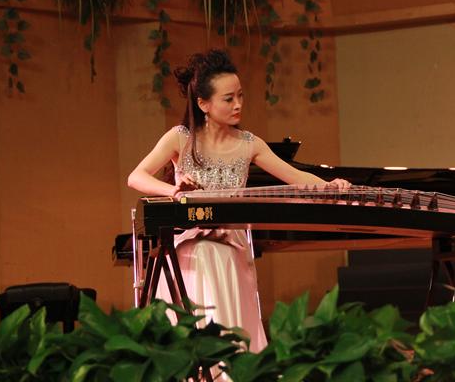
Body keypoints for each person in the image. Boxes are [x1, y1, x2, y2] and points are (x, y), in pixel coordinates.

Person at [127, 49, 350, 353]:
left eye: (240, 96)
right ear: (203, 104)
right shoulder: (181, 137)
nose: (238, 105)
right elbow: (136, 177)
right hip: (192, 247)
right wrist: (175, 191)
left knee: (220, 267)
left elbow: (296, 177)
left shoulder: (249, 144)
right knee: (203, 253)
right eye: (228, 99)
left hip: (231, 247)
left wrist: (330, 187)